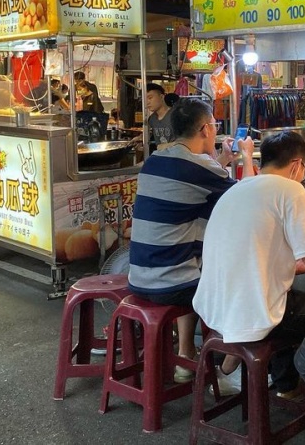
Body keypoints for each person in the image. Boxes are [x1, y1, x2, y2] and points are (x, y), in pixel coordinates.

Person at [194, 130, 305, 413]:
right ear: (296, 165)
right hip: (253, 312)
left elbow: (270, 262)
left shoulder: (238, 188)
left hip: (214, 309)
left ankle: (287, 387)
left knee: (284, 298)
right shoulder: (289, 190)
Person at [128, 98, 255, 390]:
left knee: (194, 263)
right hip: (171, 282)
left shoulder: (156, 159)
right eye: (214, 126)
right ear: (204, 129)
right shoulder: (201, 168)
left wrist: (221, 160)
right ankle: (225, 366)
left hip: (140, 275)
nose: (216, 131)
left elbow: (191, 182)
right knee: (241, 279)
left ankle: (186, 354)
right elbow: (250, 196)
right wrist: (246, 157)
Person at [144, 83, 173, 152]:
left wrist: (168, 145)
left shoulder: (175, 115)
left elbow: (187, 141)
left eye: (150, 98)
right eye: (144, 99)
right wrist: (140, 138)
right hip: (161, 157)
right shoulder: (152, 119)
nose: (147, 102)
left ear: (162, 97)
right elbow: (151, 134)